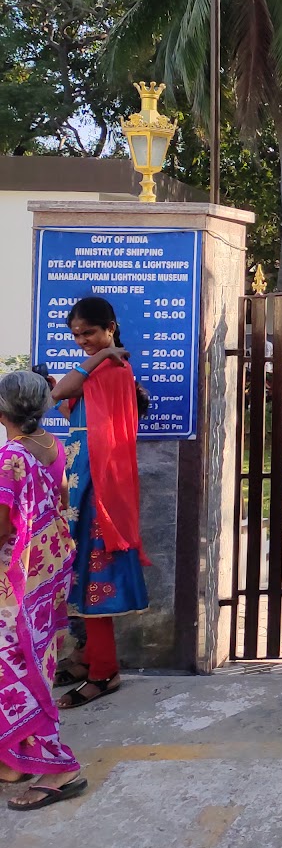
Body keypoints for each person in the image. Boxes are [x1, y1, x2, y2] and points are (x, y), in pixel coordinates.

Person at [47, 296, 150, 708]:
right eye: (76, 335)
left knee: (94, 577)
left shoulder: (112, 366)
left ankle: (105, 672)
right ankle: (87, 656)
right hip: (80, 484)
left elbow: (59, 393)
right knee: (77, 574)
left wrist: (103, 353)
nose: (81, 341)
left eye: (89, 332)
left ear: (109, 327)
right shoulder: (104, 364)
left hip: (97, 490)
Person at [0, 370, 87, 809]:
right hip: (50, 567)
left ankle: (61, 768)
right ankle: (15, 759)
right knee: (34, 660)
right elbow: (64, 499)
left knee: (16, 668)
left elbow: (0, 527)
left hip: (19, 577)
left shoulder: (10, 457)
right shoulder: (51, 444)